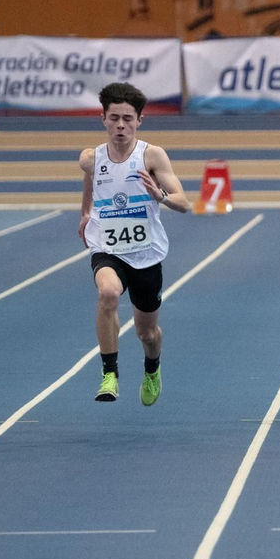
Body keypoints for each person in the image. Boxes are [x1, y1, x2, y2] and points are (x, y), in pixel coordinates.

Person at [79, 82, 189, 405]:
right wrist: (86, 212)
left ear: (140, 120)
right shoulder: (90, 158)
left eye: (128, 118)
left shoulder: (152, 156)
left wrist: (162, 196)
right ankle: (109, 373)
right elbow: (89, 178)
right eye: (114, 118)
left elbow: (184, 202)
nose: (121, 126)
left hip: (145, 255)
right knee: (108, 292)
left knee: (147, 334)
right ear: (103, 119)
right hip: (107, 248)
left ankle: (152, 367)